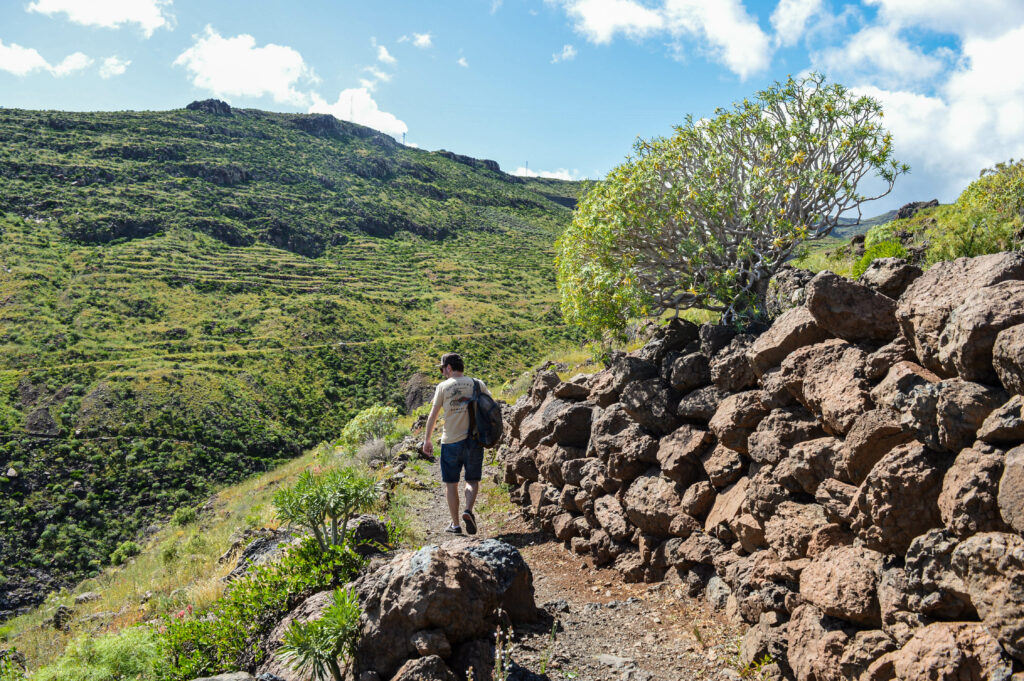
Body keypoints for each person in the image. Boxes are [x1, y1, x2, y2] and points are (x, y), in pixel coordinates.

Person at [423, 352, 491, 535]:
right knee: (472, 480)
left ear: (449, 367)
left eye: (442, 368)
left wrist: (427, 439)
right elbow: (491, 407)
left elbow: (433, 415)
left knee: (451, 484)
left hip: (450, 442)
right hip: (474, 441)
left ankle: (455, 525)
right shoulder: (477, 383)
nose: (442, 372)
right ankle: (468, 510)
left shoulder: (443, 387)